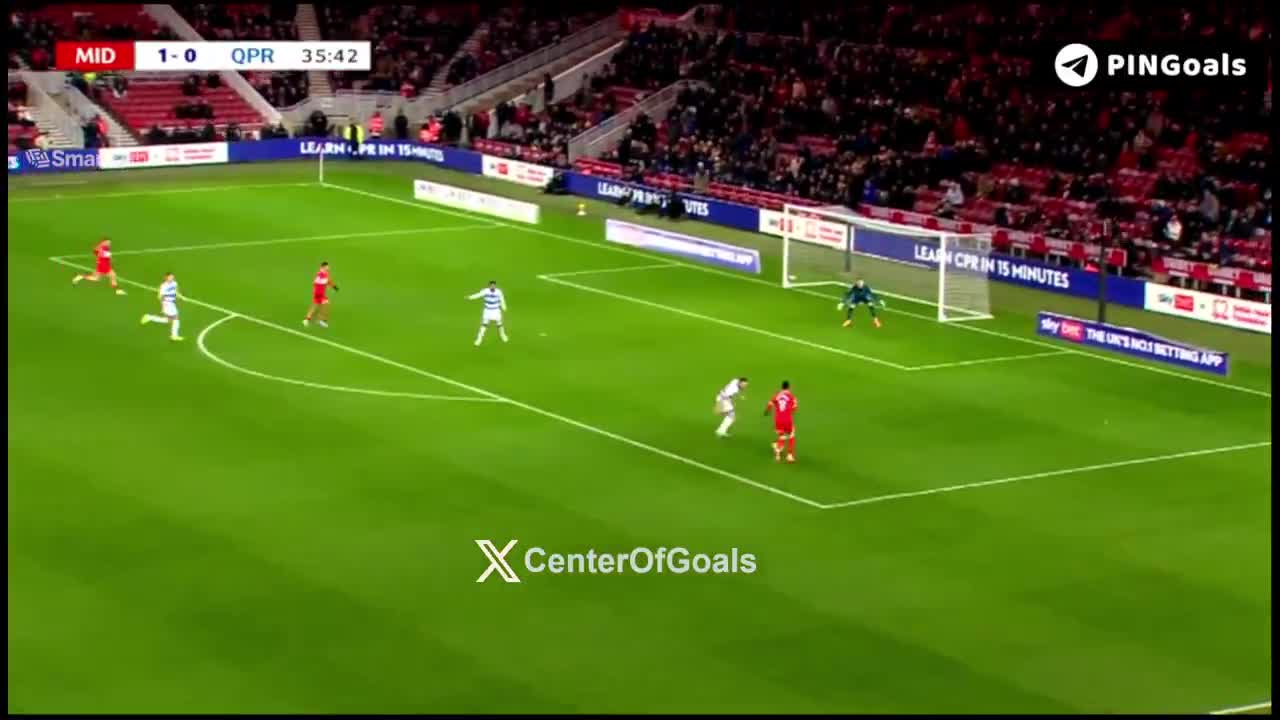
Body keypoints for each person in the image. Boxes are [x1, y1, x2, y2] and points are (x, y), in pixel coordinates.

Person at [140, 272, 182, 341]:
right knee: (176, 318)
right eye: (170, 277)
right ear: (166, 278)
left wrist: (179, 295)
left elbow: (176, 290)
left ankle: (149, 317)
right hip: (167, 304)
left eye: (172, 277)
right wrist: (163, 307)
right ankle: (174, 335)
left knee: (168, 320)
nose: (171, 278)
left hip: (172, 303)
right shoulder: (163, 286)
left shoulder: (175, 283)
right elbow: (160, 297)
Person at [764, 381, 797, 463]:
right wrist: (789, 411)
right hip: (787, 419)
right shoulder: (791, 396)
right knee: (791, 436)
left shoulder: (777, 395)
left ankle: (777, 454)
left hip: (778, 419)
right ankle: (789, 456)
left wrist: (766, 412)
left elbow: (769, 404)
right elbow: (795, 408)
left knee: (782, 436)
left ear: (781, 387)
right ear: (789, 387)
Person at [467, 281, 508, 346]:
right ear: (489, 286)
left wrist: (504, 307)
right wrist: (470, 297)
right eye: (491, 285)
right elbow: (478, 295)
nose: (492, 287)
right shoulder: (485, 291)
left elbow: (502, 299)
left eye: (493, 285)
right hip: (487, 311)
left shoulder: (499, 292)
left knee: (499, 324)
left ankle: (502, 335)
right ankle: (479, 339)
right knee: (484, 325)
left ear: (495, 286)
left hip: (496, 310)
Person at [303, 261, 338, 327]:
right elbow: (318, 282)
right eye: (327, 266)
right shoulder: (321, 273)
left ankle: (307, 319)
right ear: (324, 267)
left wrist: (333, 286)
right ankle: (321, 321)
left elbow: (327, 281)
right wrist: (332, 286)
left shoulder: (324, 273)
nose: (329, 267)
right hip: (319, 293)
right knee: (325, 305)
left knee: (315, 305)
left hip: (319, 293)